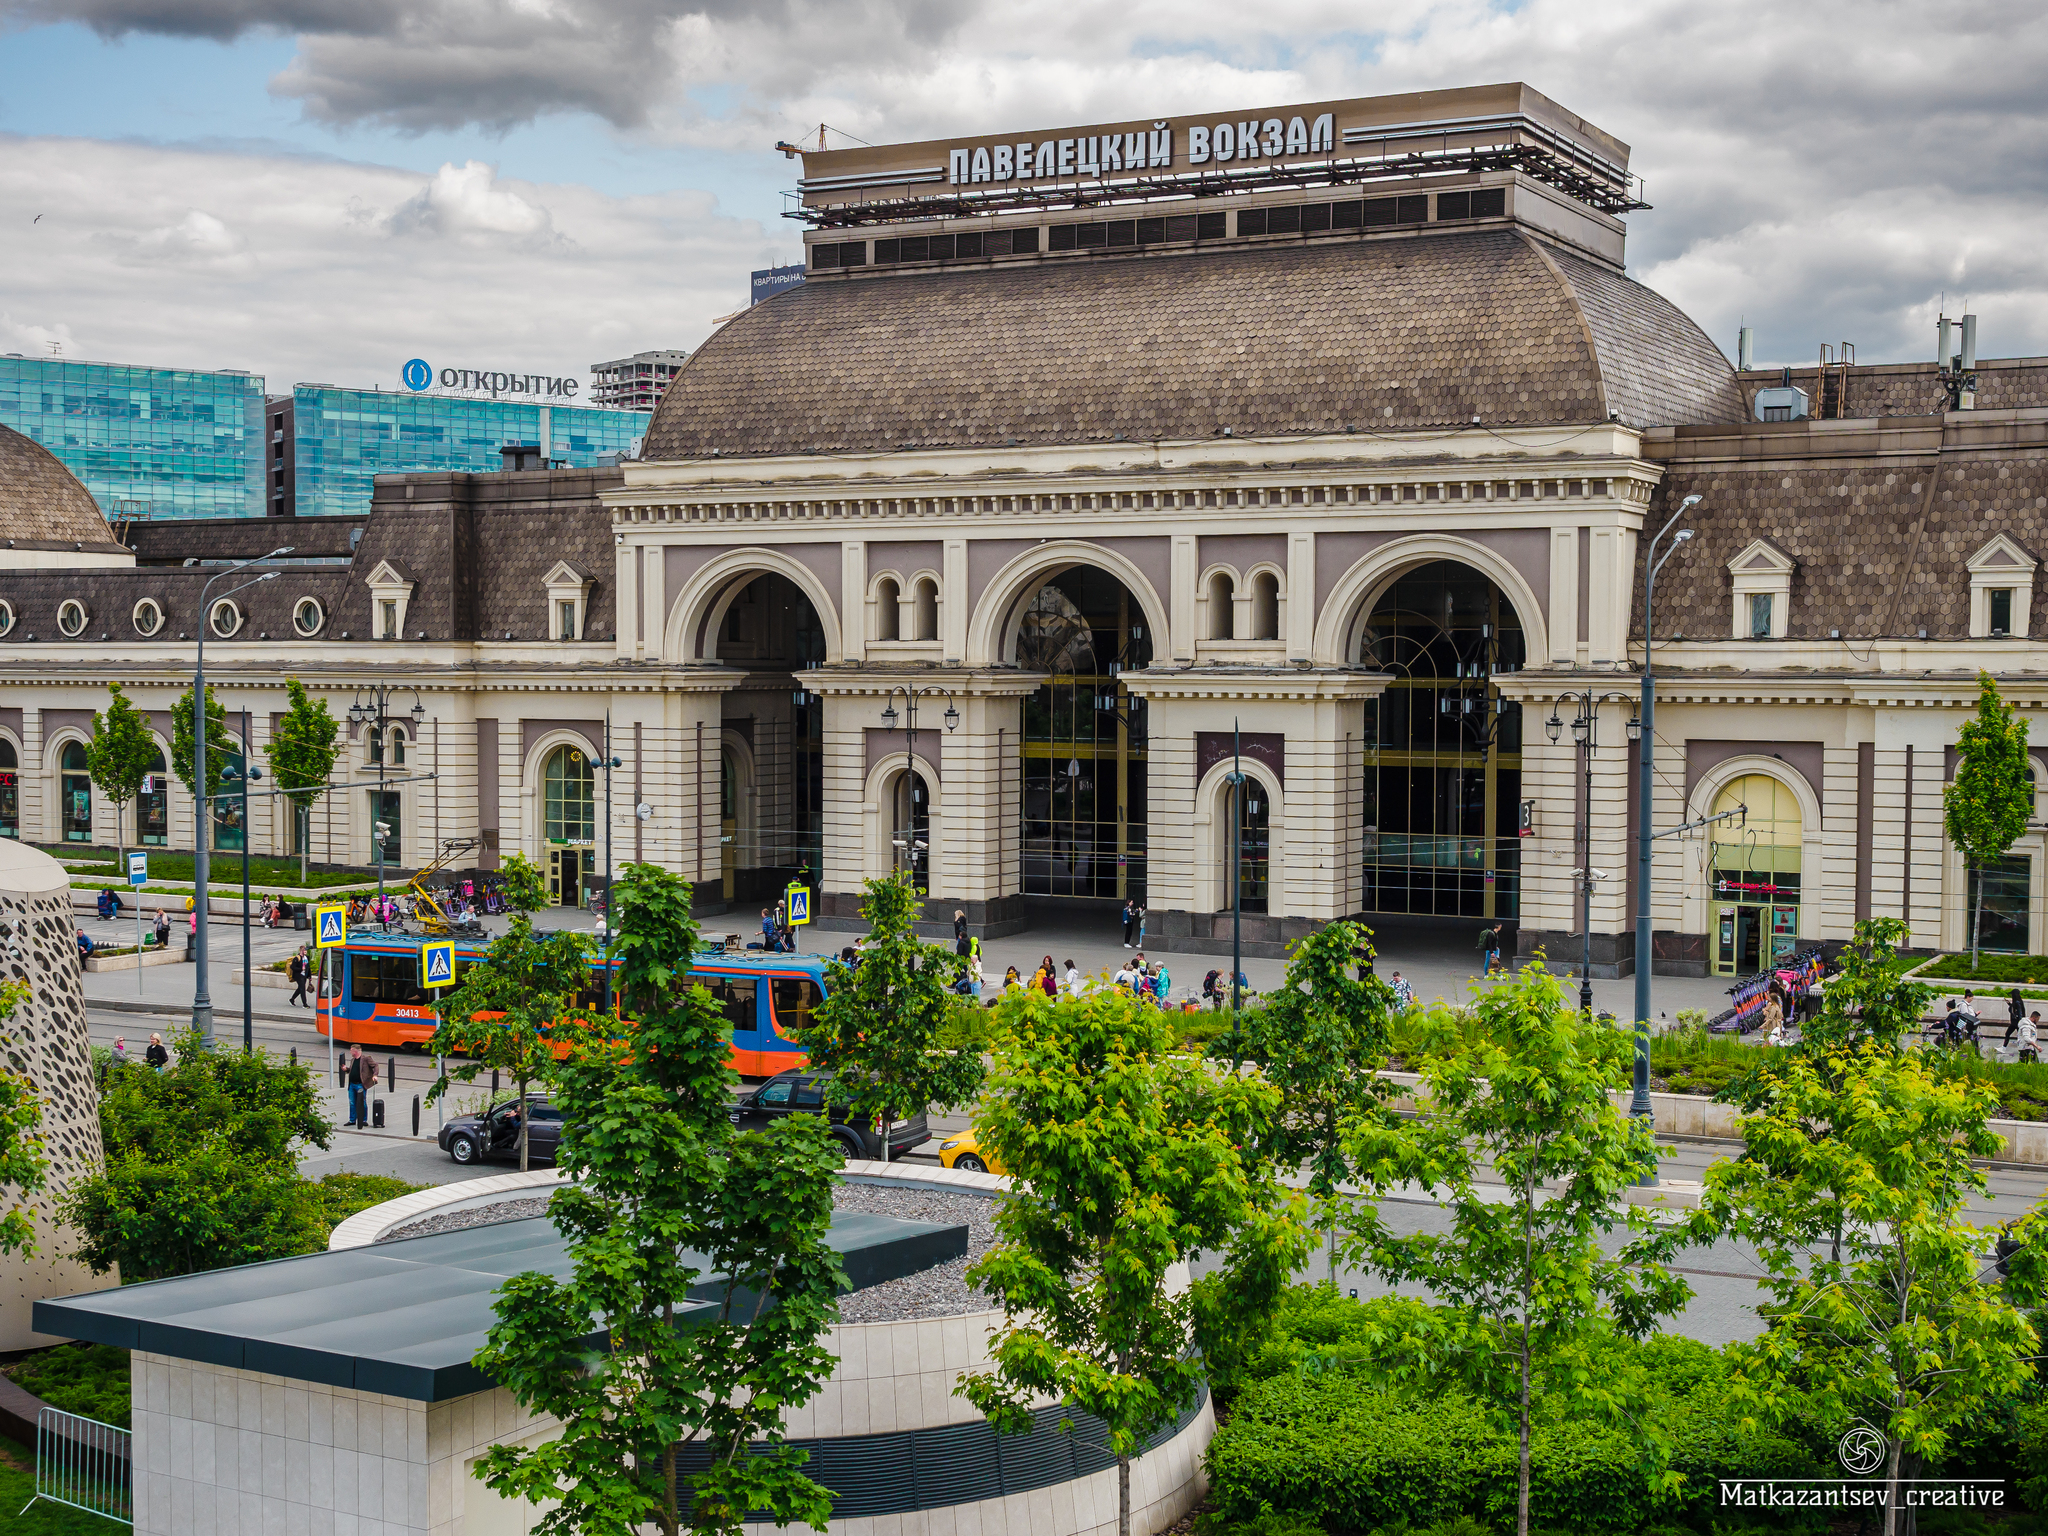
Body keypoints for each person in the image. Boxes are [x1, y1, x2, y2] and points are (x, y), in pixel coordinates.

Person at [345, 1044, 377, 1127]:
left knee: (362, 1102)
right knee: (352, 1102)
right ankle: (352, 1119)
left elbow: (375, 1065)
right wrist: (347, 1070)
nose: (350, 1052)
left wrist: (375, 1075)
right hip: (352, 1084)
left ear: (355, 1051)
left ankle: (363, 1119)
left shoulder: (366, 1059)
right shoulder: (353, 1060)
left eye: (351, 1050)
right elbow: (352, 1070)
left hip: (360, 1084)